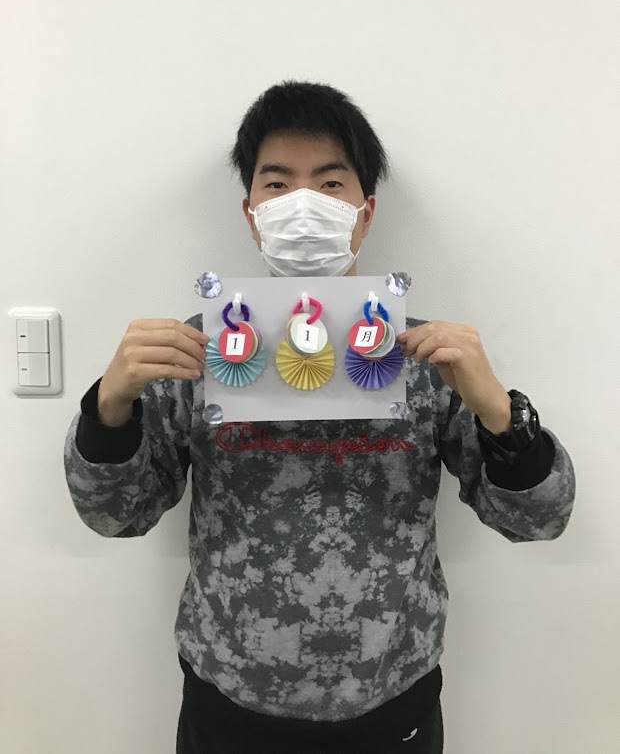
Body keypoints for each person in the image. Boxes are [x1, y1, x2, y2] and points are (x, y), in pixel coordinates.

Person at [63, 81, 576, 753]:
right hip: (228, 701)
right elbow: (114, 514)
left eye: (330, 183)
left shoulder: (428, 357)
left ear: (364, 213)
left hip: (393, 701)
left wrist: (501, 413)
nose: (303, 204)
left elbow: (539, 518)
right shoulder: (197, 352)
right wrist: (109, 408)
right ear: (251, 213)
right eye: (278, 184)